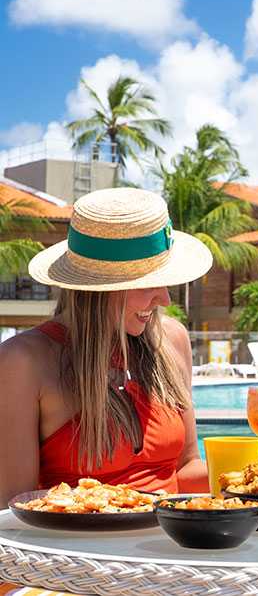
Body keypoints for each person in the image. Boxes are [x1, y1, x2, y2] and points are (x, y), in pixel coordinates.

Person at [0, 187, 214, 509]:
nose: (165, 299)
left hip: (172, 536)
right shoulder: (23, 362)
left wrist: (256, 466)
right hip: (75, 541)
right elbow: (12, 507)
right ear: (97, 291)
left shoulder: (170, 339)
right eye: (147, 283)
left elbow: (185, 470)